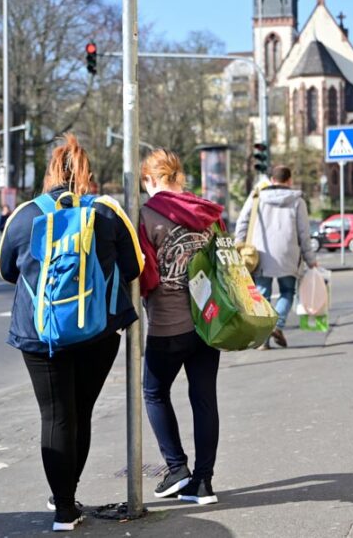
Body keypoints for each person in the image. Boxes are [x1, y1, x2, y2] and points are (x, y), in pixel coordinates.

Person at [0, 134, 143, 532]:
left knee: (56, 416)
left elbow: (7, 270)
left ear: (49, 173)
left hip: (40, 333)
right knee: (81, 412)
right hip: (97, 332)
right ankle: (69, 494)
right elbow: (134, 268)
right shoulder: (107, 212)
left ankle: (63, 508)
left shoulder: (24, 215)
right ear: (87, 174)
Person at [138, 148, 225, 506]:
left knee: (154, 392)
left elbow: (146, 278)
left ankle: (177, 468)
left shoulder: (146, 215)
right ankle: (203, 482)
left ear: (150, 179)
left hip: (168, 325)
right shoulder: (207, 213)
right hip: (209, 321)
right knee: (204, 398)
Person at [234, 165, 318, 349]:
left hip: (260, 254)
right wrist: (311, 259)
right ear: (289, 180)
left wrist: (239, 244)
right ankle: (277, 325)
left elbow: (242, 222)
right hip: (289, 254)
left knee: (262, 294)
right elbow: (304, 234)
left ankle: (263, 339)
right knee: (287, 292)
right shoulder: (298, 201)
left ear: (272, 180)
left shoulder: (257, 197)